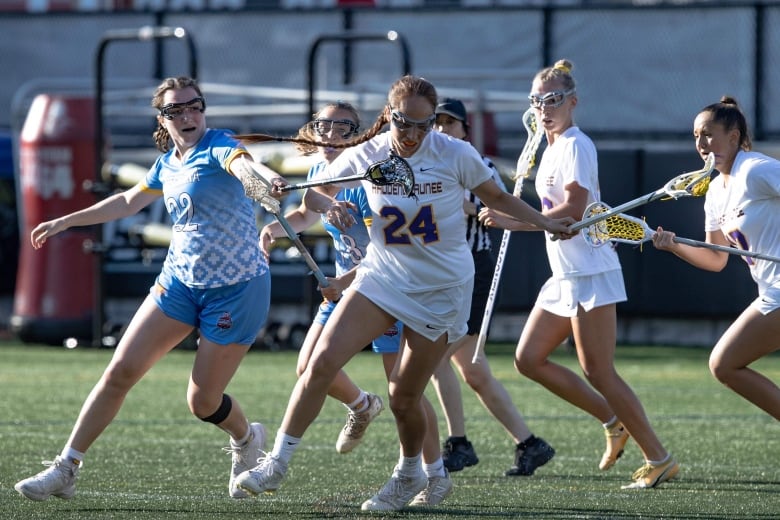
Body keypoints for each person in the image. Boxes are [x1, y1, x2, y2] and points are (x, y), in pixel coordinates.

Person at [231, 74, 574, 511]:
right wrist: (286, 189)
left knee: (403, 397)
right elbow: (318, 196)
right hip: (383, 276)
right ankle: (277, 463)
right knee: (319, 363)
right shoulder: (368, 153)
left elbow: (498, 199)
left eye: (423, 125)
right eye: (403, 124)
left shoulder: (454, 153)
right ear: (388, 117)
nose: (412, 135)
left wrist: (547, 222)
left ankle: (412, 472)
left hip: (442, 289)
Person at [14, 76, 294, 501]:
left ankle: (245, 438)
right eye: (175, 110)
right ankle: (66, 467)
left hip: (236, 290)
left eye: (194, 106)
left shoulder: (219, 144)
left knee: (202, 402)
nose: (187, 116)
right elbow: (128, 201)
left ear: (203, 109)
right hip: (179, 282)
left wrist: (263, 179)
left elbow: (244, 165)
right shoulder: (168, 163)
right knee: (119, 372)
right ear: (162, 119)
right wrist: (66, 220)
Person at [479, 60, 679, 489]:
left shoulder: (575, 145)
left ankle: (659, 457)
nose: (544, 107)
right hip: (564, 273)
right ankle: (613, 421)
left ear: (573, 102)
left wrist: (515, 219)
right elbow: (554, 217)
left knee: (599, 371)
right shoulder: (548, 147)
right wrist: (519, 217)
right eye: (537, 101)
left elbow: (570, 214)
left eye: (553, 100)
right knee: (529, 359)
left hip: (591, 269)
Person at [260, 101, 453, 505]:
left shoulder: (371, 176)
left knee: (405, 390)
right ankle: (361, 406)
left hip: (385, 288)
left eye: (341, 128)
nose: (330, 135)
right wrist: (273, 229)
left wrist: (342, 281)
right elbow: (306, 210)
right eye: (322, 127)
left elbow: (384, 253)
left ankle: (435, 475)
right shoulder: (320, 173)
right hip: (347, 291)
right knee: (310, 367)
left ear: (357, 135)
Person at [431, 97, 555, 477]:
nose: (442, 129)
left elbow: (494, 206)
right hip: (440, 273)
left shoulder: (477, 165)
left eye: (450, 123)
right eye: (436, 123)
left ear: (465, 130)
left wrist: (470, 208)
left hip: (473, 271)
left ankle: (459, 443)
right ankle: (529, 444)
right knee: (473, 370)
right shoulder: (426, 165)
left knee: (434, 359)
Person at [650, 96, 780, 421]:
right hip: (770, 294)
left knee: (724, 363)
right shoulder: (715, 192)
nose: (701, 143)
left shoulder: (754, 169)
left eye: (708, 134)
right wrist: (674, 246)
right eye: (696, 136)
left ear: (734, 136)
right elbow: (715, 259)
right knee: (723, 364)